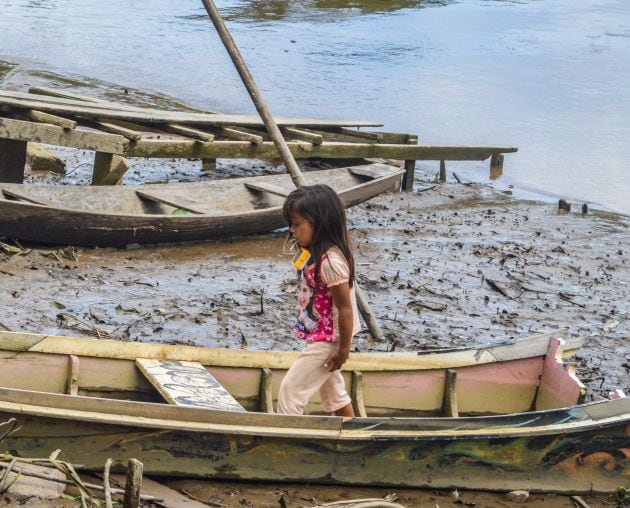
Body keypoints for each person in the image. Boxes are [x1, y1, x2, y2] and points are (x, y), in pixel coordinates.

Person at [277, 184, 361, 417]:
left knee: (290, 391)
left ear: (320, 223)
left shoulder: (330, 262)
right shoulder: (316, 254)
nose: (292, 230)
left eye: (296, 224)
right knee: (333, 393)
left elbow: (345, 309)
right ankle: (350, 433)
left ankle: (285, 440)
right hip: (323, 335)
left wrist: (343, 349)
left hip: (329, 339)